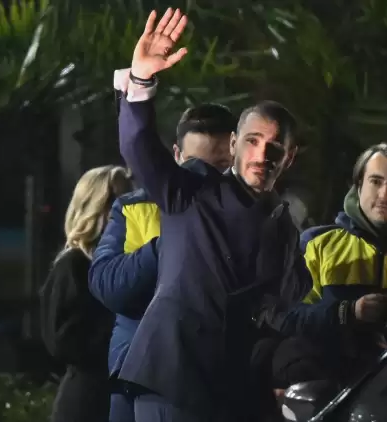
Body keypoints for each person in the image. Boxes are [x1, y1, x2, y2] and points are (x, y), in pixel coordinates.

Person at [115, 8, 311, 421]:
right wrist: (141, 81)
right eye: (253, 141)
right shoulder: (191, 189)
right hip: (173, 381)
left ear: (289, 157)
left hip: (235, 390)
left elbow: (283, 307)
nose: (262, 154)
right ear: (234, 144)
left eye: (275, 146)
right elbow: (138, 147)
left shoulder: (284, 226)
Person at [88, 104, 235, 422]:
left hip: (218, 379)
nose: (205, 178)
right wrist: (169, 244)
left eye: (220, 167)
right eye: (195, 165)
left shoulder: (247, 215)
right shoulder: (136, 208)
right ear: (176, 156)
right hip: (139, 378)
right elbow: (108, 286)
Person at [273, 143, 387, 385]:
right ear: (358, 185)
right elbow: (287, 318)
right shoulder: (318, 244)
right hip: (329, 389)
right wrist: (348, 312)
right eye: (376, 181)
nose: (386, 195)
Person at [39, 165, 133, 422]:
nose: (127, 207)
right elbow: (61, 340)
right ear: (95, 206)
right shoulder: (74, 265)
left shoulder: (133, 263)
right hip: (89, 401)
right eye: (115, 200)